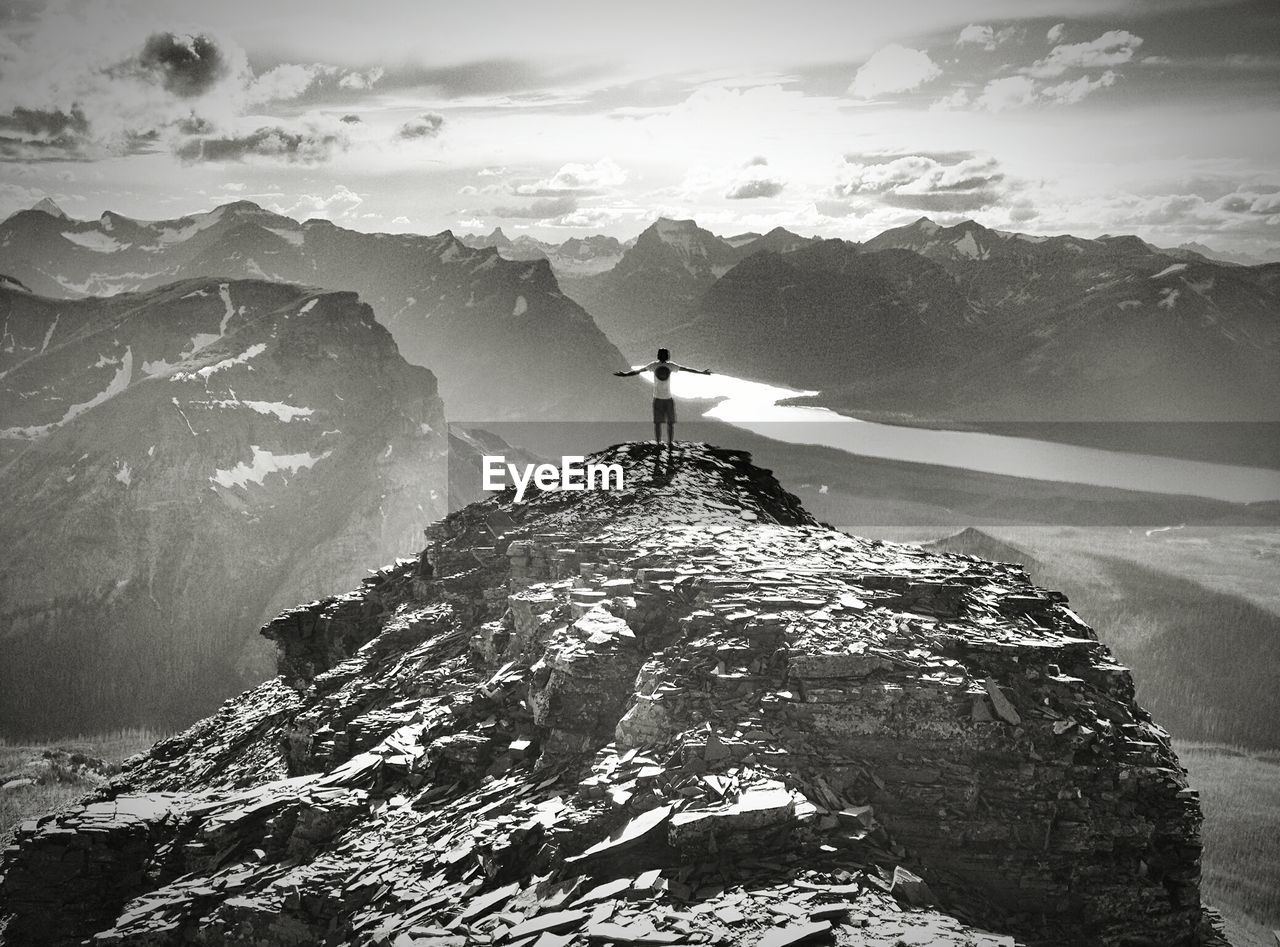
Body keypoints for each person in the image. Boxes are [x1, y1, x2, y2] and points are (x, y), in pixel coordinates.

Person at [614, 348, 712, 446]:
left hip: (658, 399)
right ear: (667, 356)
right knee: (669, 423)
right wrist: (702, 372)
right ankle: (668, 442)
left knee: (659, 423)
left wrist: (625, 374)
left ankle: (659, 442)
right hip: (667, 399)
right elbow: (686, 369)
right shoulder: (669, 365)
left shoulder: (654, 365)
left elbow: (638, 371)